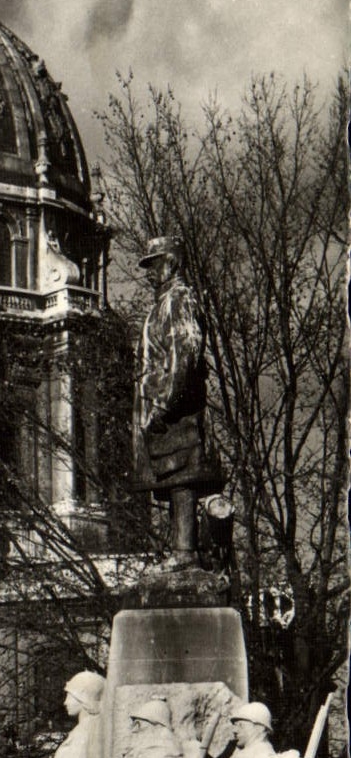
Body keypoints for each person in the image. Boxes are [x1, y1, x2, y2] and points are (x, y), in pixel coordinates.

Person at [134, 235, 223, 567]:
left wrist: (163, 405)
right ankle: (182, 550)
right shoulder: (164, 302)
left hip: (175, 409)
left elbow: (183, 354)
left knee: (181, 474)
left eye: (153, 264)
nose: (148, 272)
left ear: (170, 263)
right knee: (173, 479)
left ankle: (185, 553)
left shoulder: (178, 299)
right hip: (167, 405)